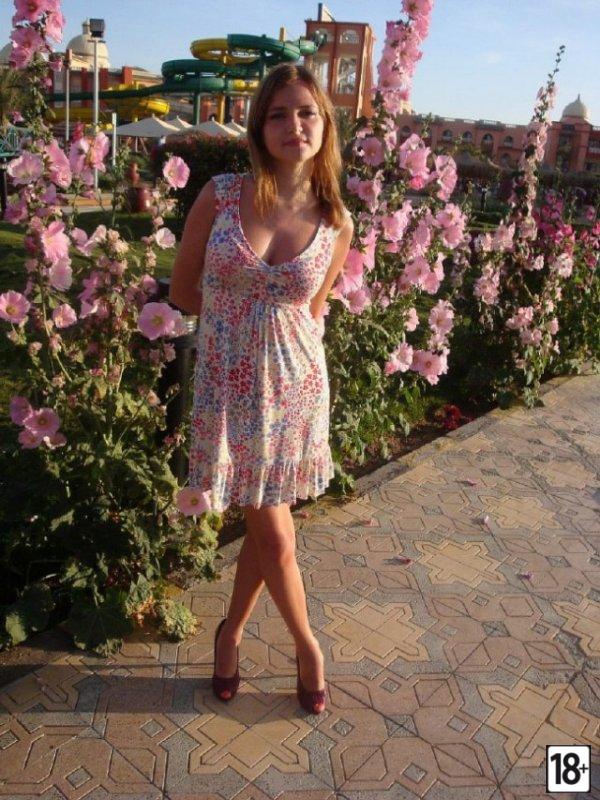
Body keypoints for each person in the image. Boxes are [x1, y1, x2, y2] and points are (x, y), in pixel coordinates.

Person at [168, 63, 354, 714]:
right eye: (278, 114)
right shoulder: (221, 196)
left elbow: (313, 310)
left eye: (306, 112)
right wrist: (235, 327)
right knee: (275, 535)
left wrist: (264, 332)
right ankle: (308, 647)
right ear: (259, 128)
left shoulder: (337, 220)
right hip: (228, 385)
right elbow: (182, 288)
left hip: (295, 388)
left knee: (265, 527)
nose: (293, 125)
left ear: (323, 126)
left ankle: (233, 636)